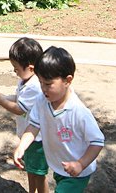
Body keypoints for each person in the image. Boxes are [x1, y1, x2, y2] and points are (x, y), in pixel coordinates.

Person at [14, 46, 105, 192]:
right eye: (41, 82)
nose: (43, 88)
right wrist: (22, 146)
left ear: (67, 80)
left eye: (48, 84)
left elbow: (97, 141)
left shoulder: (79, 112)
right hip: (60, 166)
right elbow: (33, 126)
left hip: (77, 173)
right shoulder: (42, 101)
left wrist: (80, 164)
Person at [0, 38, 48, 193]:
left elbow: (19, 108)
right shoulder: (25, 81)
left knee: (40, 175)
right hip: (27, 137)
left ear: (31, 68)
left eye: (16, 68)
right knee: (31, 171)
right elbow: (18, 98)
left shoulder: (35, 86)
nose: (14, 71)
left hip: (37, 140)